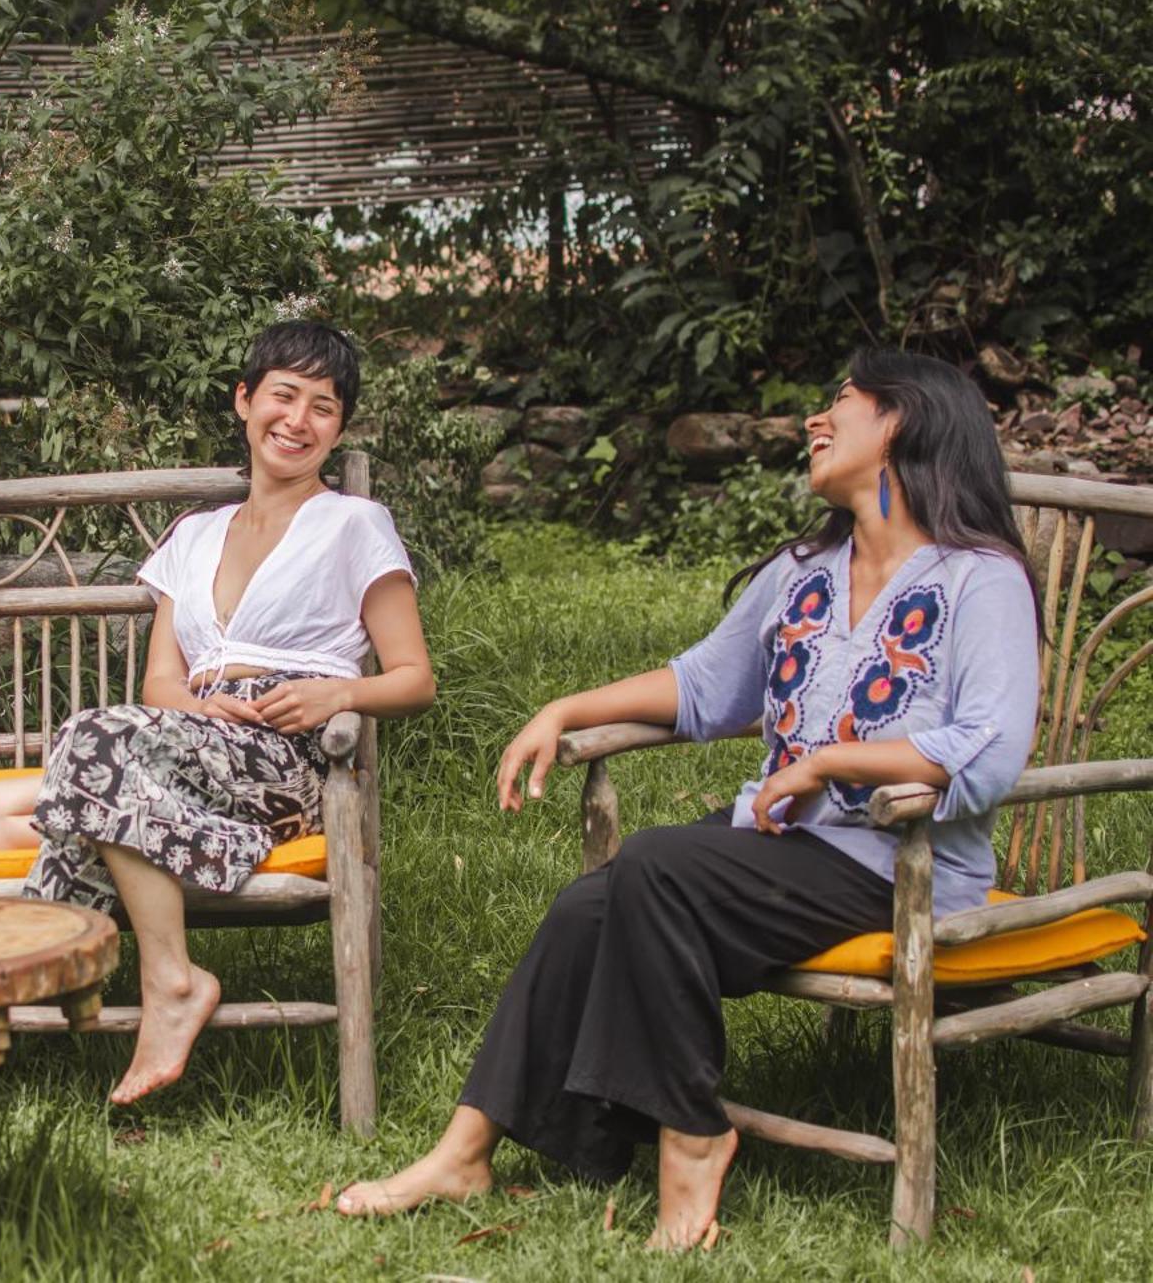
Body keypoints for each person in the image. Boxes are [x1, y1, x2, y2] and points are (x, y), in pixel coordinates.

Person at [336, 350, 1041, 1249]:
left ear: (901, 422)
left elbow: (991, 744)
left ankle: (693, 1133)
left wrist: (830, 763)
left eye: (840, 403)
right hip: (783, 850)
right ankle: (464, 1150)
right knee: (588, 905)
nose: (816, 423)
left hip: (901, 862)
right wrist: (564, 708)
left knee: (655, 866)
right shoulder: (804, 570)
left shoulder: (980, 579)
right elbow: (704, 684)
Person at [0, 321, 436, 1104]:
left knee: (88, 736)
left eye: (323, 407)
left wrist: (338, 693)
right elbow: (159, 685)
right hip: (184, 744)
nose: (299, 420)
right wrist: (196, 704)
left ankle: (157, 979)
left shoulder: (355, 524)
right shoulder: (194, 535)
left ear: (338, 427)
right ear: (245, 402)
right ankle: (134, 938)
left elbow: (416, 678)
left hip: (285, 752)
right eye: (283, 396)